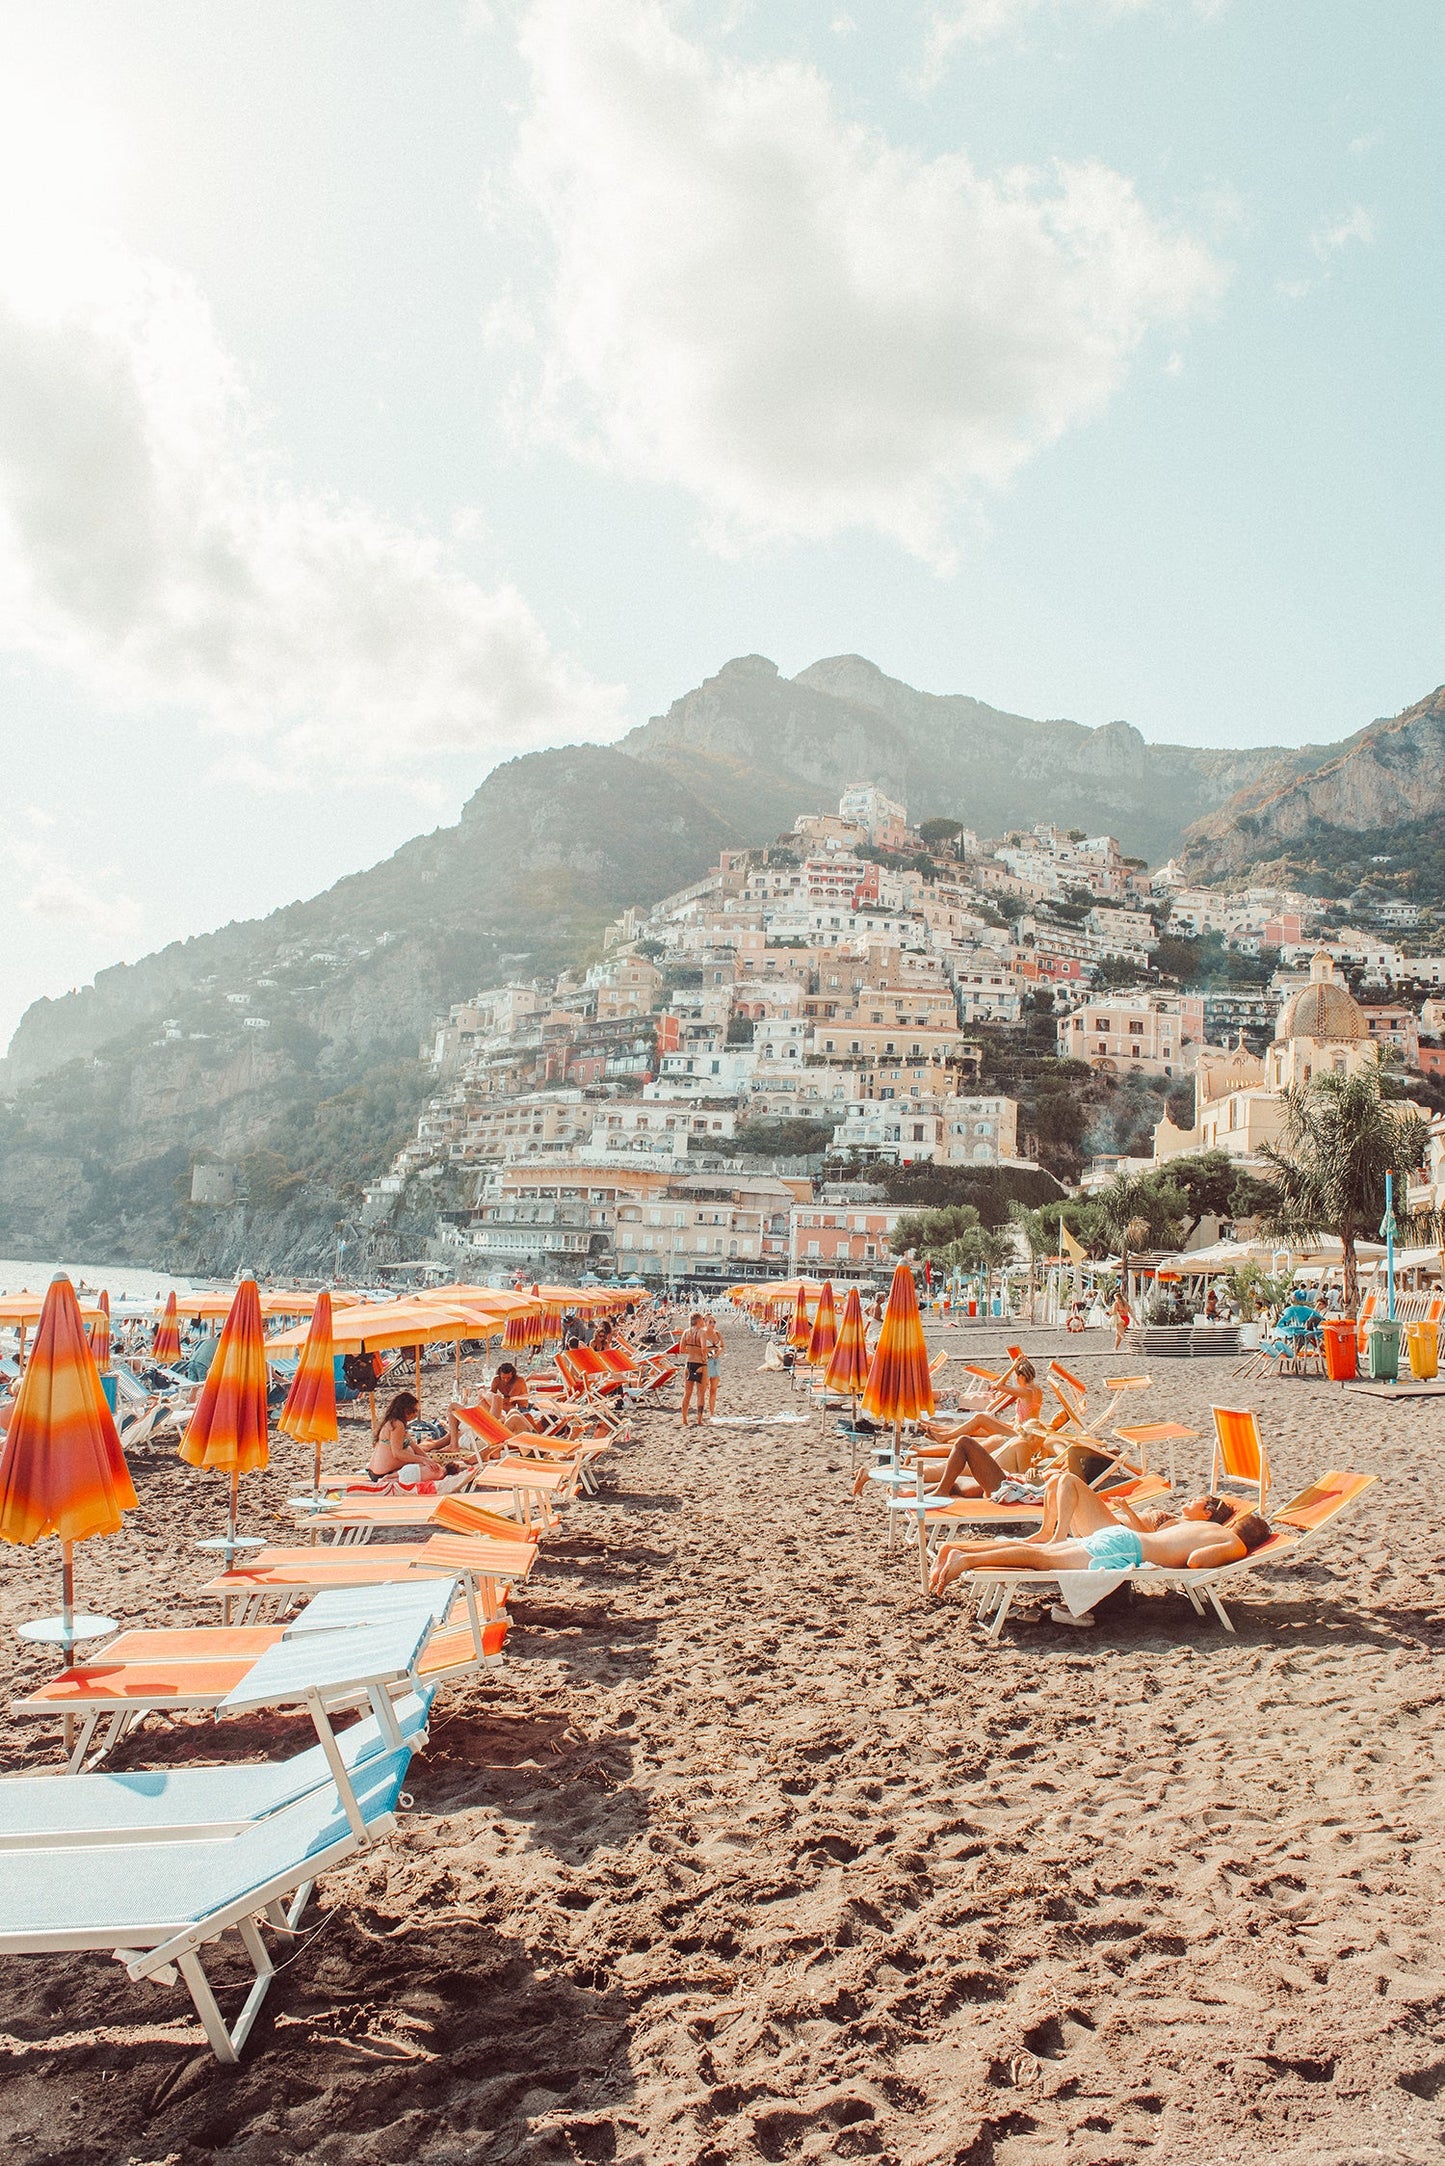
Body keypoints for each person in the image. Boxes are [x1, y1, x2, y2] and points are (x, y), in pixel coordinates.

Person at [931, 1492, 1271, 1596]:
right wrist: (1226, 1558)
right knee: (1041, 1560)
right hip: (1126, 1551)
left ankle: (963, 1550)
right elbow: (1197, 1562)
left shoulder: (1203, 1523)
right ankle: (965, 1560)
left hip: (1122, 1539)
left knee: (1044, 1552)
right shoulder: (1232, 1543)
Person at [367, 1391, 447, 1483]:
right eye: (415, 1410)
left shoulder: (395, 1423)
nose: (416, 1414)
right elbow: (397, 1453)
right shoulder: (397, 1424)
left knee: (433, 1468)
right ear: (406, 1410)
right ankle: (389, 1480)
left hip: (379, 1471)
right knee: (435, 1473)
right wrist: (424, 1460)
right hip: (385, 1473)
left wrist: (429, 1461)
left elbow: (415, 1448)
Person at [679, 1312, 711, 1428]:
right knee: (700, 1393)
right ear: (698, 1321)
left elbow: (681, 1349)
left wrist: (691, 1351)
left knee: (687, 1393)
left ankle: (684, 1419)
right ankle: (699, 1420)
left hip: (689, 1363)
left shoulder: (686, 1332)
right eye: (702, 1320)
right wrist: (704, 1356)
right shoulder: (702, 1332)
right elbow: (703, 1347)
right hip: (700, 1364)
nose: (703, 1322)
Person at [703, 1313, 724, 1416]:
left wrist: (718, 1352)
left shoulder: (718, 1333)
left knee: (713, 1389)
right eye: (710, 1322)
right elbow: (701, 1348)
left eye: (714, 1322)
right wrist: (712, 1349)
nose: (713, 1324)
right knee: (704, 1387)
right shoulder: (702, 1334)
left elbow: (723, 1346)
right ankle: (702, 1411)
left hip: (715, 1361)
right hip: (705, 1362)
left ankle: (712, 1412)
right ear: (705, 1322)